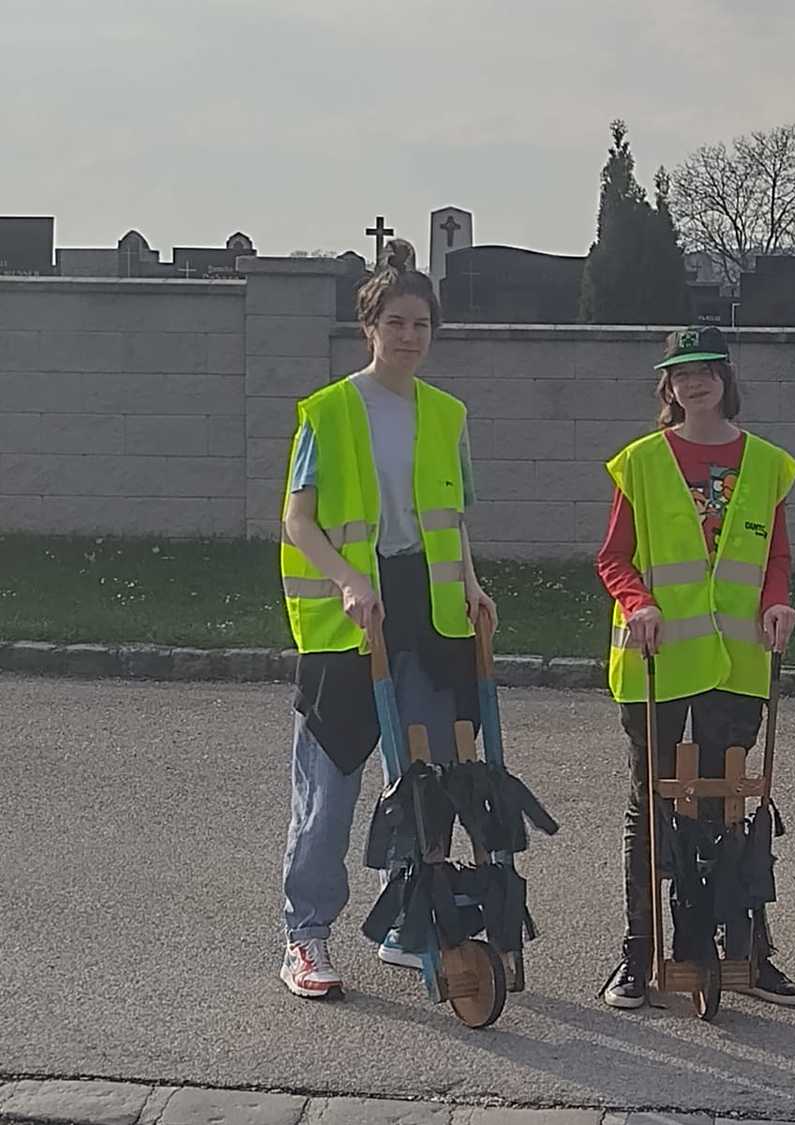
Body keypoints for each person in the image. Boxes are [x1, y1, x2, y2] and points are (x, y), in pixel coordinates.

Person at [278, 238, 496, 999]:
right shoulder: (329, 412)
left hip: (428, 610)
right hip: (350, 615)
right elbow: (297, 520)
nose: (409, 336)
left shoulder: (447, 414)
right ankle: (306, 934)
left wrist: (474, 585)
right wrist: (346, 581)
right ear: (369, 327)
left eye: (421, 324)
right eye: (395, 322)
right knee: (330, 784)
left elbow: (452, 520)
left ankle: (409, 920)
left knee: (427, 776)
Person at [595, 325, 795, 1010]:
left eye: (706, 371)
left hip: (737, 659)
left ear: (725, 378)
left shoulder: (766, 464)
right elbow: (614, 557)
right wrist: (638, 603)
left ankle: (743, 951)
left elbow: (776, 557)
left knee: (729, 802)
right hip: (657, 657)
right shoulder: (641, 461)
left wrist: (777, 602)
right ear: (668, 386)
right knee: (651, 801)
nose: (695, 383)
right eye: (681, 373)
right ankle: (639, 951)